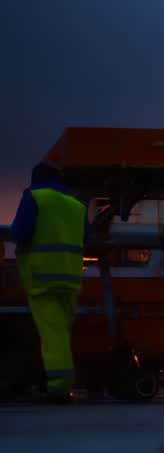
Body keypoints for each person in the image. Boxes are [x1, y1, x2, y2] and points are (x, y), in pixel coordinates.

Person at [9, 162, 87, 402]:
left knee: (52, 333)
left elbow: (19, 232)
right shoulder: (76, 205)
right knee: (61, 331)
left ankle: (58, 387)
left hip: (41, 279)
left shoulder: (35, 197)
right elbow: (86, 237)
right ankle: (56, 382)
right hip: (70, 279)